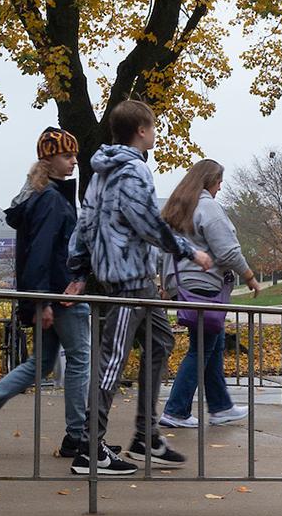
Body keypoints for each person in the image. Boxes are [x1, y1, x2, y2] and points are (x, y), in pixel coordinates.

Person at [68, 100, 212, 474]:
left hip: (134, 279)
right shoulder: (132, 171)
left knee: (161, 341)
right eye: (153, 127)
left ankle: (146, 437)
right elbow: (147, 222)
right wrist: (188, 251)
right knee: (112, 359)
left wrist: (80, 270)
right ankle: (89, 448)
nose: (155, 133)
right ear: (142, 131)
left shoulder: (101, 171)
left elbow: (85, 223)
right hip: (128, 278)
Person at [0, 129, 91, 460]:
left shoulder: (42, 197)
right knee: (80, 359)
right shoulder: (52, 200)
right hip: (60, 295)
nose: (74, 162)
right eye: (68, 156)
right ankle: (78, 436)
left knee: (40, 364)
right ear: (49, 159)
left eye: (74, 155)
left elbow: (36, 253)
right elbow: (41, 253)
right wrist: (42, 301)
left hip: (51, 294)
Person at [158, 159, 262, 429]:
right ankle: (176, 410)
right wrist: (249, 277)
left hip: (183, 284)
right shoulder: (208, 207)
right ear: (209, 182)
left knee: (211, 344)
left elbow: (163, 248)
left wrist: (165, 282)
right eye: (218, 182)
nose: (220, 187)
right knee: (201, 349)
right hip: (203, 284)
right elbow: (227, 251)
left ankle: (220, 407)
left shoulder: (178, 208)